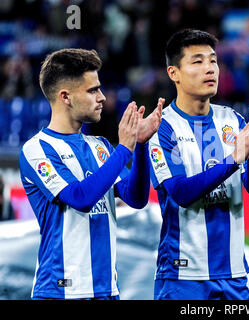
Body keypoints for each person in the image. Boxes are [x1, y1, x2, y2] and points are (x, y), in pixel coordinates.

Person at [19, 48, 163, 300]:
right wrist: (124, 149)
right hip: (60, 292)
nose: (103, 98)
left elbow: (137, 198)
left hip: (107, 291)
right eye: (92, 90)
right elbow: (80, 198)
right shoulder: (37, 149)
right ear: (65, 96)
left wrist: (140, 145)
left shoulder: (100, 147)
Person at [149, 29, 249, 300]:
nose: (210, 69)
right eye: (197, 61)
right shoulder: (161, 127)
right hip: (183, 277)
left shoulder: (234, 119)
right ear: (173, 73)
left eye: (213, 61)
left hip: (234, 276)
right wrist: (234, 159)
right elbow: (180, 193)